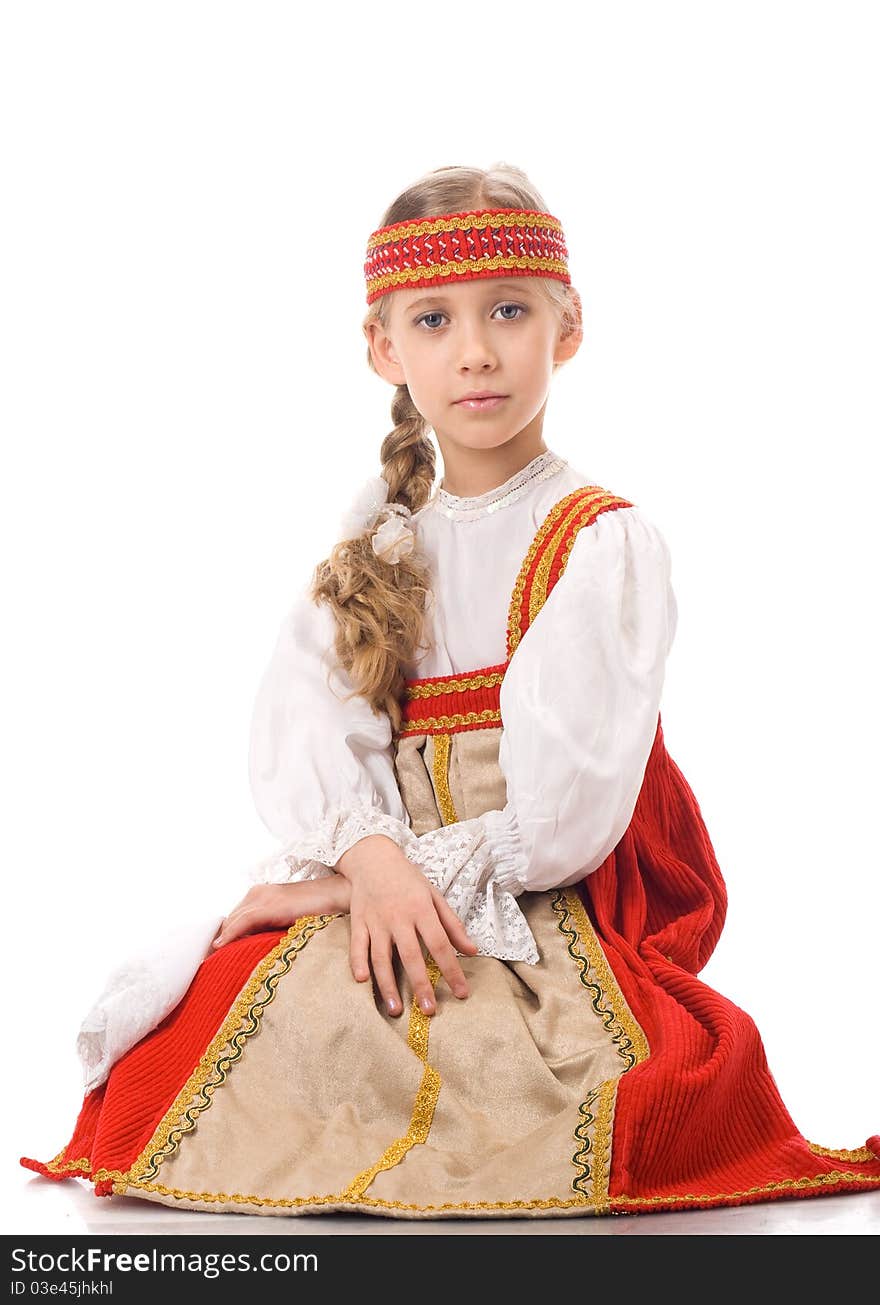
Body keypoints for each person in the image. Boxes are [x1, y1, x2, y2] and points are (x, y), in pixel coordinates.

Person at [21, 163, 880, 1220]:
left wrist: (357, 886)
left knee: (529, 1074)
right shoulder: (379, 534)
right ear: (385, 347)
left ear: (566, 329)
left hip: (550, 898)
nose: (475, 351)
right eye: (434, 320)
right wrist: (365, 865)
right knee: (256, 1014)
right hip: (398, 877)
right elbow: (315, 733)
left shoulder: (595, 541)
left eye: (508, 312)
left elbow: (560, 826)